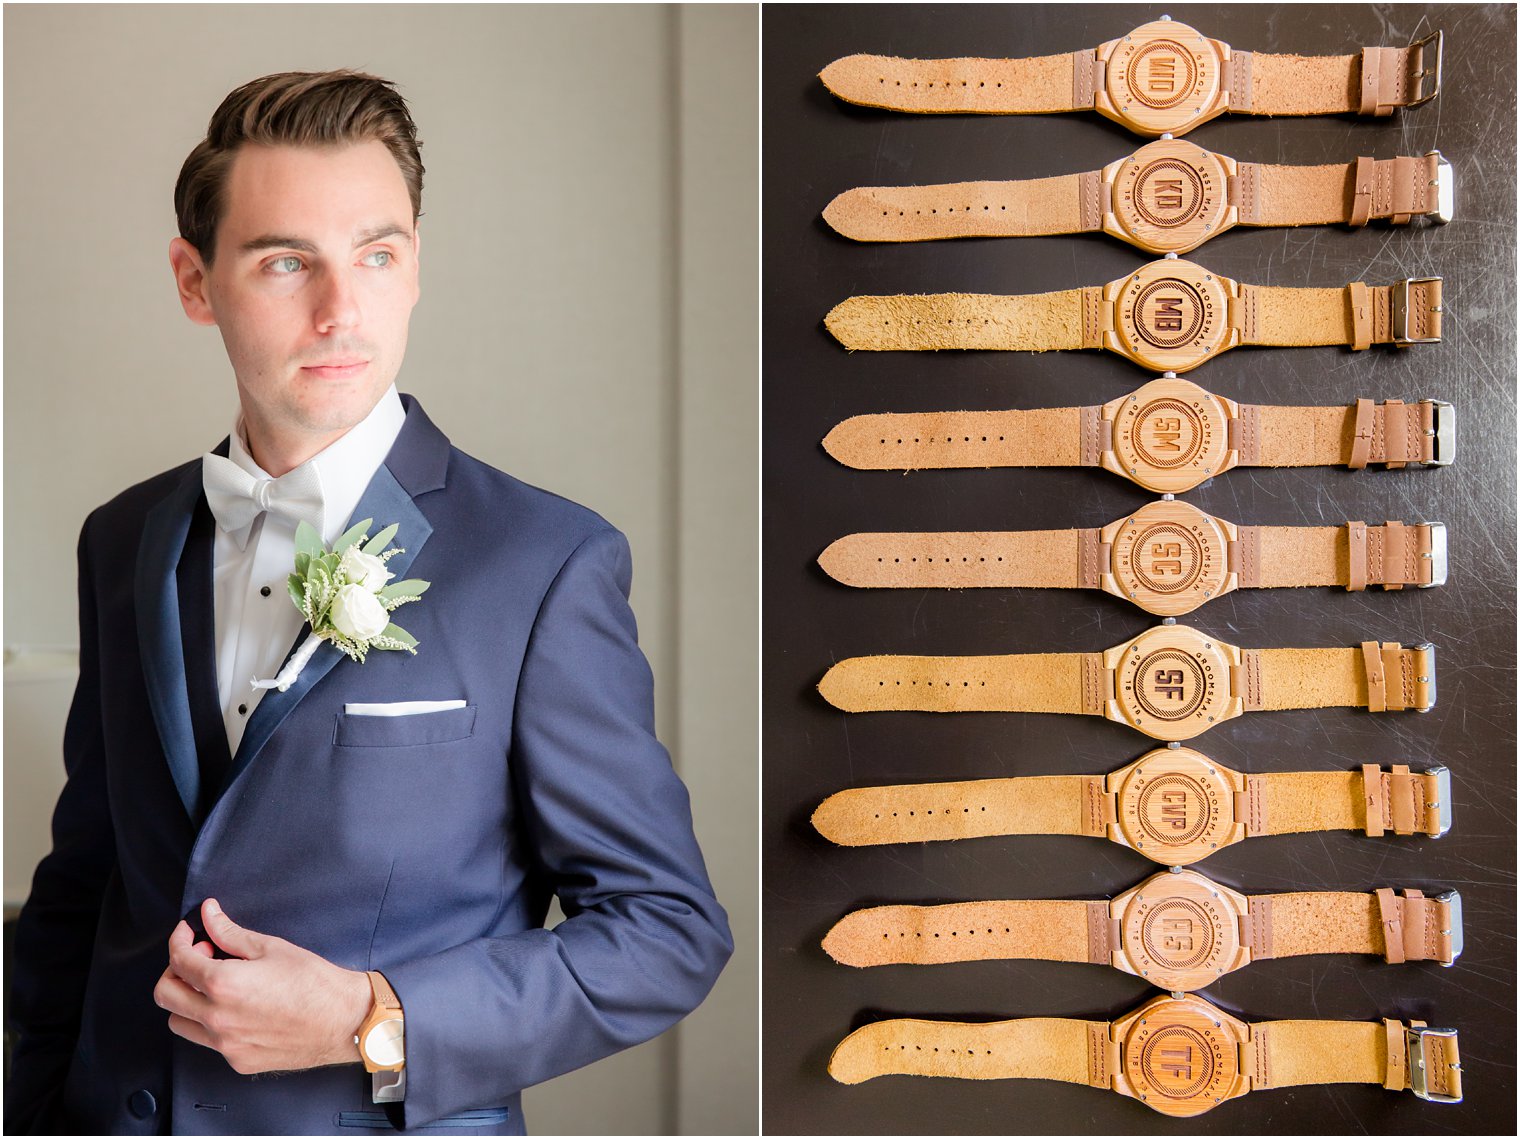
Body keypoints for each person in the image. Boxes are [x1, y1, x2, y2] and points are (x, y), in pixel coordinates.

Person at [5, 69, 732, 1136]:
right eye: (285, 260)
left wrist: (367, 1017)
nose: (341, 309)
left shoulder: (544, 562)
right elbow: (84, 882)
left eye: (377, 255)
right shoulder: (124, 538)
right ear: (194, 280)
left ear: (415, 267)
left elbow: (666, 931)